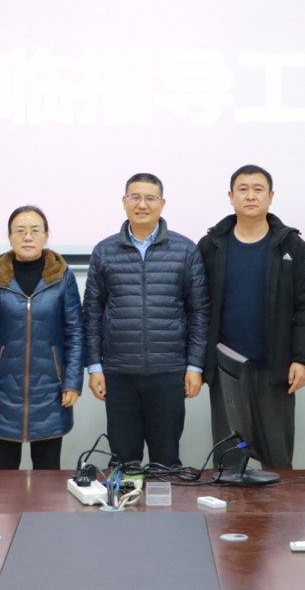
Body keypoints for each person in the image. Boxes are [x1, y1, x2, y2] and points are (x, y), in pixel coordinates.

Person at [83, 173, 209, 468]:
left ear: (162, 203)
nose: (142, 204)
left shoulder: (185, 250)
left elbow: (199, 312)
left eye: (150, 198)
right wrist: (94, 367)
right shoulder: (104, 251)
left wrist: (195, 366)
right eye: (135, 197)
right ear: (124, 202)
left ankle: (165, 499)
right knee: (124, 464)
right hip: (118, 373)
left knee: (166, 462)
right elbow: (92, 312)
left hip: (169, 371)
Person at [198, 165, 305, 470]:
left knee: (277, 461)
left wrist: (302, 359)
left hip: (275, 369)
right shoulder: (212, 246)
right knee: (228, 463)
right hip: (226, 372)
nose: (250, 195)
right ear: (231, 197)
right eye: (243, 189)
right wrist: (198, 364)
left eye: (258, 189)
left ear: (271, 196)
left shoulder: (291, 246)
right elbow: (198, 307)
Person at [0, 205, 84, 469]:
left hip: (51, 390)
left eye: (35, 230)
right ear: (9, 237)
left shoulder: (62, 277)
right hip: (2, 390)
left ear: (46, 236)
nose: (28, 237)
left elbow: (75, 332)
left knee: (48, 477)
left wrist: (72, 382)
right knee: (1, 479)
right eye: (20, 231)